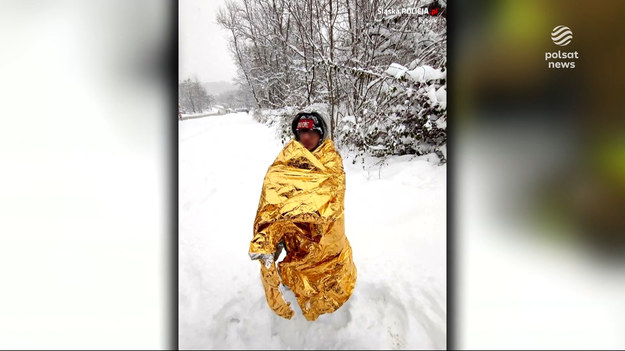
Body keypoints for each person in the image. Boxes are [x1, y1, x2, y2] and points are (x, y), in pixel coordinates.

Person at [249, 110, 357, 321]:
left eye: (311, 132)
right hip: (294, 233)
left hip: (325, 233)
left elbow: (331, 197)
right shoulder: (287, 158)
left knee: (328, 272)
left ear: (320, 134)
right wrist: (272, 229)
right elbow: (273, 190)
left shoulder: (331, 159)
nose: (305, 137)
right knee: (297, 263)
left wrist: (292, 206)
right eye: (301, 133)